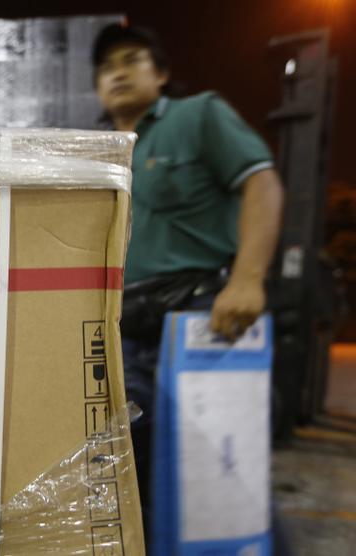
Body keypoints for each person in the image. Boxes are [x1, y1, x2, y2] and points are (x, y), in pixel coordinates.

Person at [91, 23, 285, 544]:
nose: (119, 73)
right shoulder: (96, 154)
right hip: (124, 329)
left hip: (204, 316)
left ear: (162, 73)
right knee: (130, 471)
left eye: (132, 59)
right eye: (107, 67)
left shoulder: (199, 115)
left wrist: (247, 279)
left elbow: (260, 182)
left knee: (217, 468)